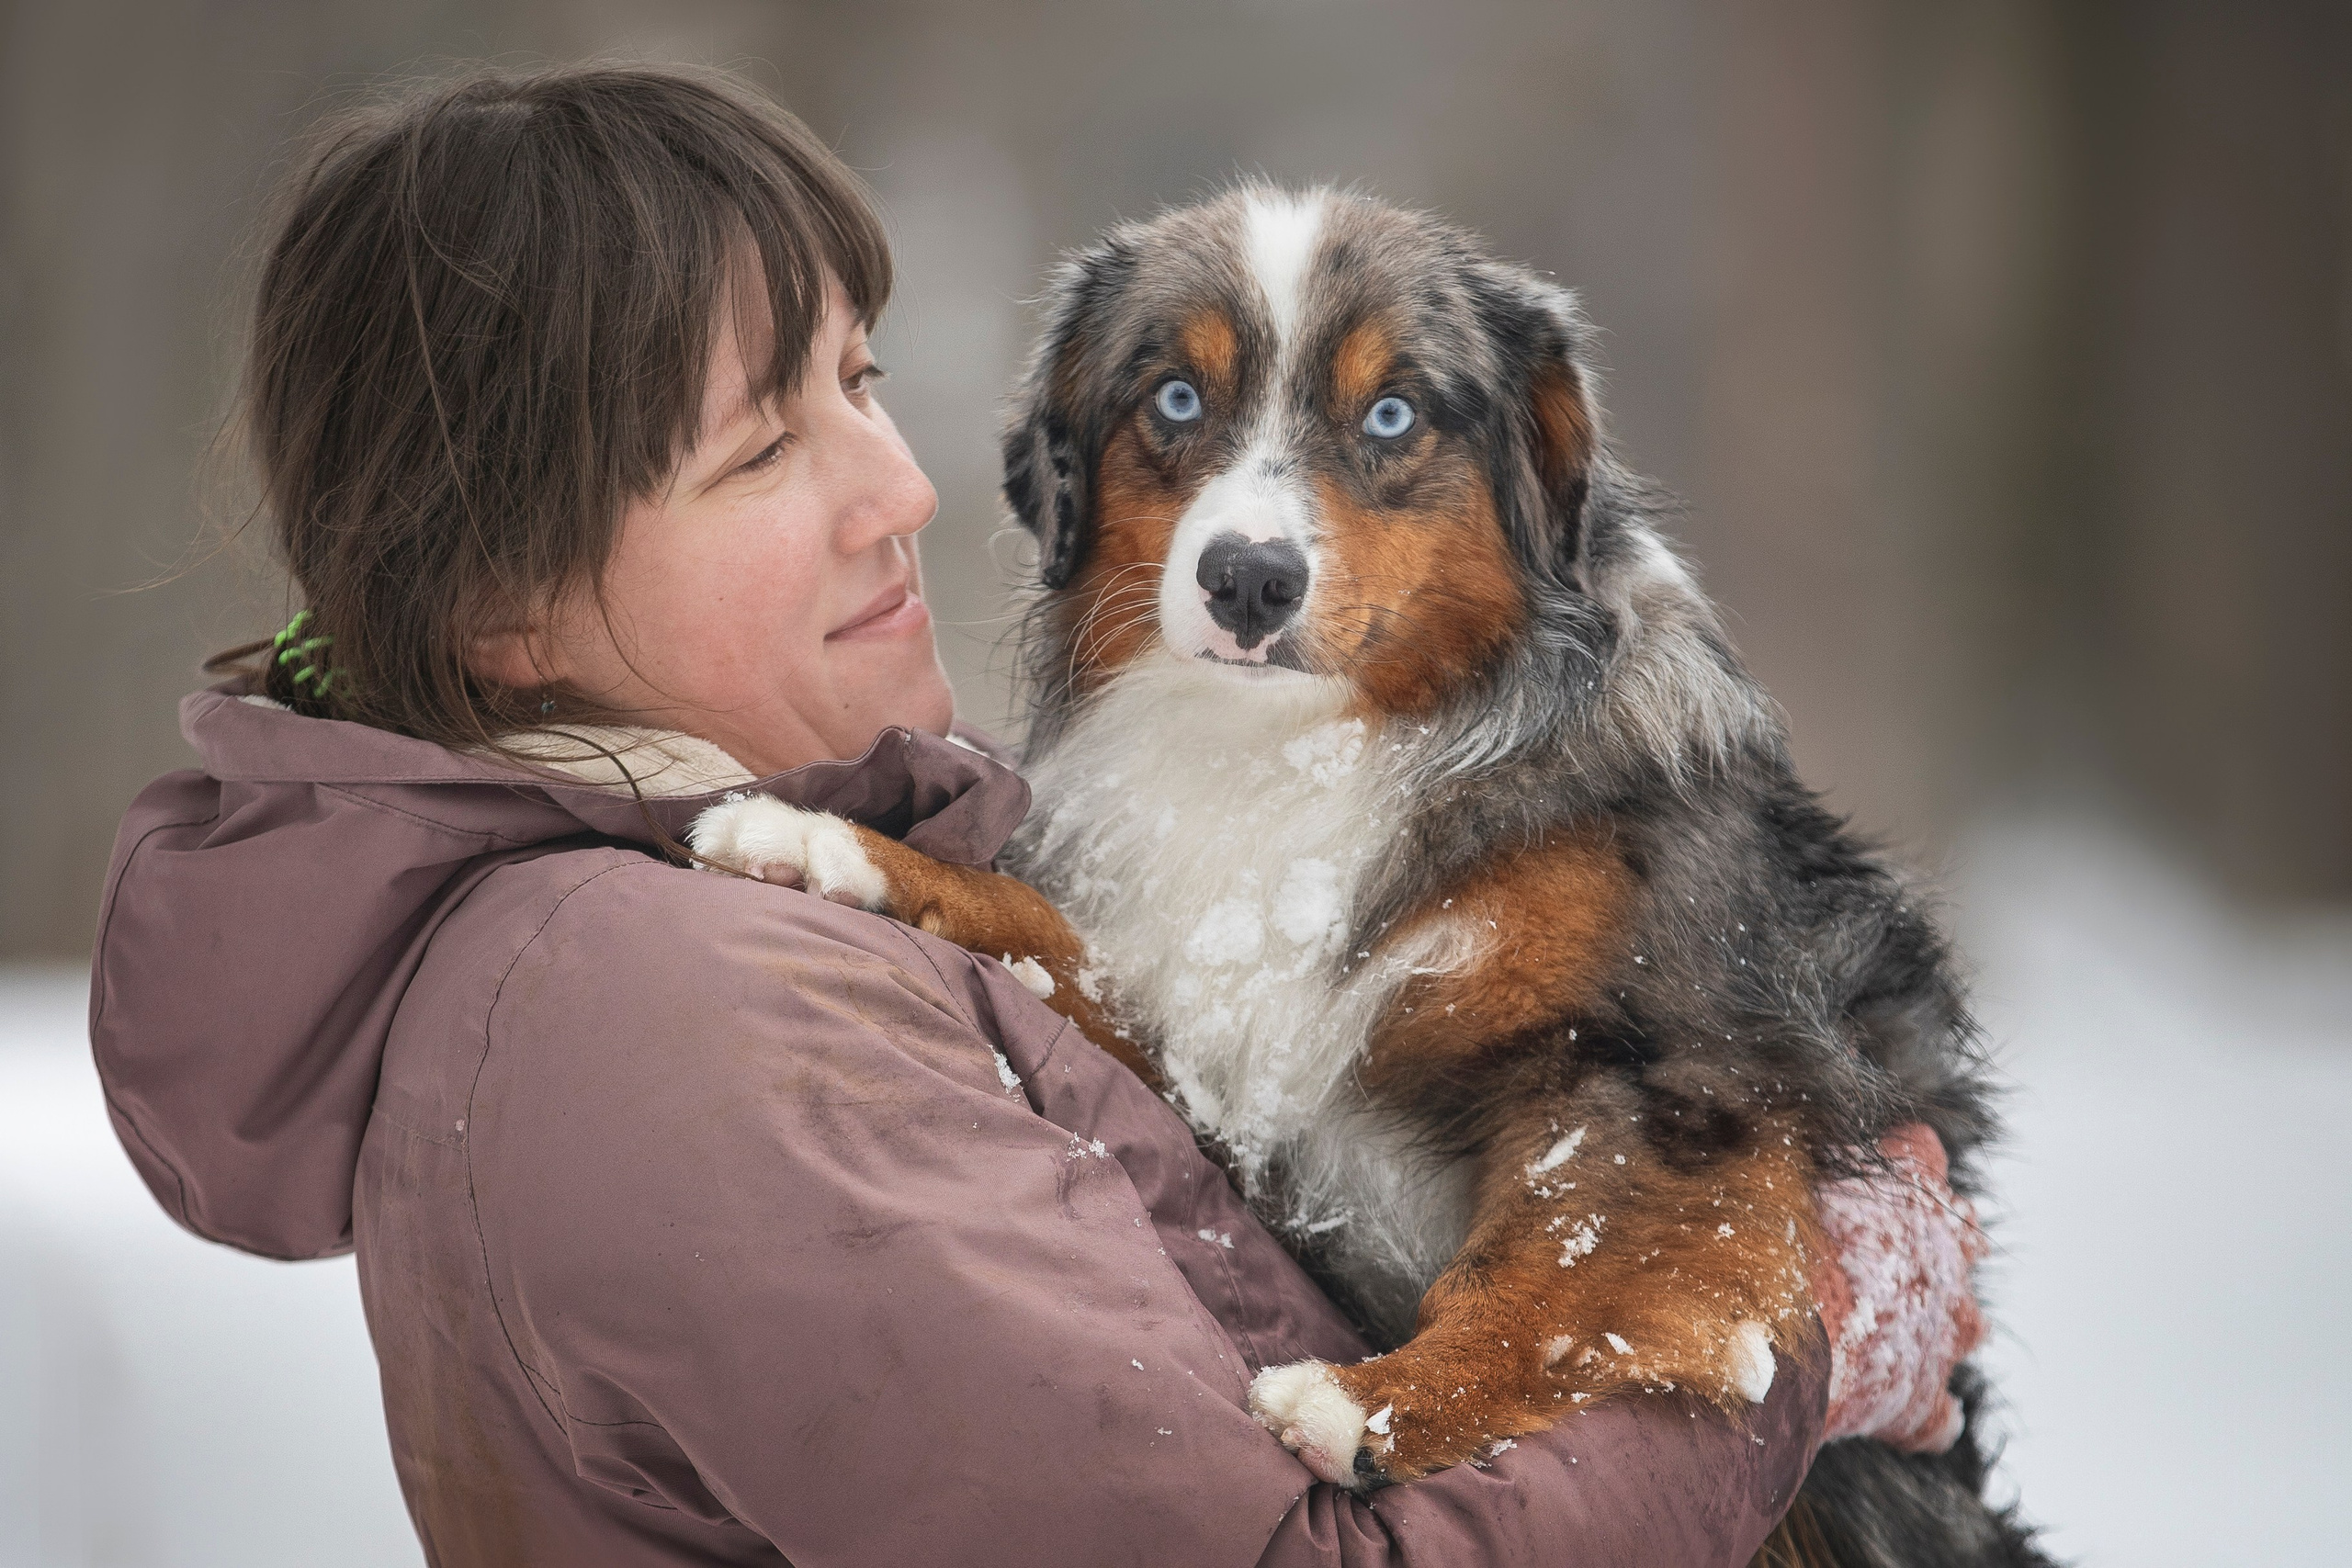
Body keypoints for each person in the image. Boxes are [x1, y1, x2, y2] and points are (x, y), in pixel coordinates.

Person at [90, 63, 1984, 1566]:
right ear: (499, 609)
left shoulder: (776, 893)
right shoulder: (668, 1015)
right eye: (762, 448)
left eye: (860, 381)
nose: (900, 488)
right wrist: (1781, 1338)